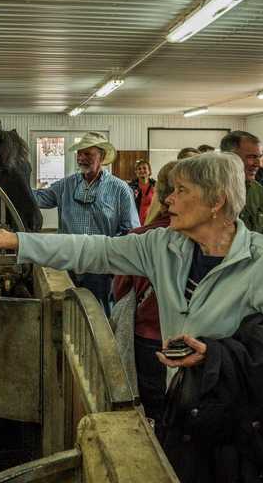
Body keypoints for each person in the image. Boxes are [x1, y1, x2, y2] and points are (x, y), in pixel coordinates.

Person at [0, 152, 263, 480]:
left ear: (216, 202)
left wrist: (219, 357)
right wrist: (8, 239)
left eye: (182, 191)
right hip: (185, 413)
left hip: (242, 429)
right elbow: (94, 250)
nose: (168, 200)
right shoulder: (164, 246)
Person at [31, 131, 139, 316]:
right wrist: (12, 184)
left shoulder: (119, 189)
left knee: (99, 315)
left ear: (102, 156)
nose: (81, 158)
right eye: (79, 154)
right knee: (68, 312)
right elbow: (38, 199)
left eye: (87, 154)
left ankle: (100, 345)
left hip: (100, 265)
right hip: (68, 263)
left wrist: (110, 252)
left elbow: (131, 230)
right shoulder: (66, 185)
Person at [112, 161, 176, 439]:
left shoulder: (140, 237)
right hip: (197, 338)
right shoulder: (216, 240)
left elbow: (120, 287)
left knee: (155, 405)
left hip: (149, 334)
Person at [220, 130, 263, 234]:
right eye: (251, 157)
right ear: (229, 156)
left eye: (259, 157)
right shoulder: (208, 190)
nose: (258, 163)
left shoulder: (258, 190)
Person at [128, 159, 156, 224]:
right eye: (139, 169)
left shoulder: (156, 186)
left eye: (144, 168)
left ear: (149, 171)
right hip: (134, 223)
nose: (142, 170)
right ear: (136, 171)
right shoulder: (130, 187)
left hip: (151, 223)